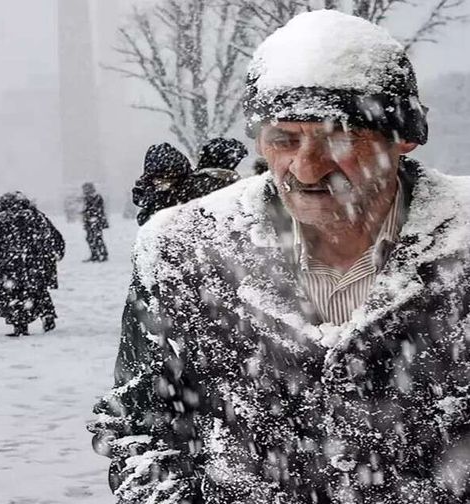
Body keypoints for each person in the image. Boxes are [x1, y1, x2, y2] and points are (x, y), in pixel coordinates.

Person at [90, 10, 470, 503]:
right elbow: (142, 427)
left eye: (340, 139)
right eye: (284, 139)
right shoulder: (183, 248)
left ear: (404, 138)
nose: (306, 167)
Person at [0, 192, 64, 336]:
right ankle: (46, 314)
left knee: (12, 293)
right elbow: (55, 237)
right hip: (35, 263)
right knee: (38, 290)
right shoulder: (37, 217)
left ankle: (20, 325)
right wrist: (53, 254)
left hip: (10, 265)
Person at [132, 140, 243, 226]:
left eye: (169, 178)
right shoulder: (229, 187)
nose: (164, 184)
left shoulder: (196, 187)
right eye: (160, 179)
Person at [81, 182, 108, 262]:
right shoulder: (87, 198)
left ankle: (103, 254)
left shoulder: (96, 197)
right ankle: (95, 254)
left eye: (86, 189)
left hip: (96, 221)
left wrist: (91, 214)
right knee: (90, 238)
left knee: (97, 238)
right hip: (90, 221)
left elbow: (97, 209)